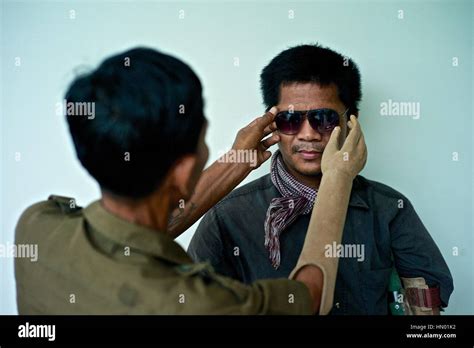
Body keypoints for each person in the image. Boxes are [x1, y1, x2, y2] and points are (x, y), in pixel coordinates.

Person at [14, 47, 367, 315]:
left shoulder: (37, 225)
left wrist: (236, 162)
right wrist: (337, 178)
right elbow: (311, 295)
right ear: (184, 169)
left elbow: (132, 234)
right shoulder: (198, 302)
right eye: (202, 139)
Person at [188, 44, 453, 315]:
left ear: (351, 121)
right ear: (272, 122)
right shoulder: (228, 217)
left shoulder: (389, 209)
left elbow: (425, 314)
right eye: (290, 119)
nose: (308, 134)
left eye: (323, 118)